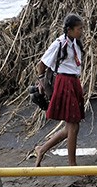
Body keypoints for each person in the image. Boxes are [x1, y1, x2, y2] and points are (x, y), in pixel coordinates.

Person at [33, 14, 85, 167]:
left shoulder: (75, 43)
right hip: (64, 82)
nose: (81, 31)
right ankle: (72, 165)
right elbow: (41, 65)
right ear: (69, 30)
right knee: (73, 124)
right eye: (79, 29)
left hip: (74, 82)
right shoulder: (59, 44)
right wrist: (41, 82)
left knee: (71, 126)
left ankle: (42, 149)